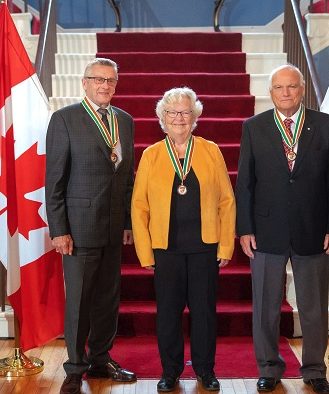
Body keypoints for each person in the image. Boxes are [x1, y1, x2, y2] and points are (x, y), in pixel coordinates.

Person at [235, 64, 329, 394]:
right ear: (270, 93)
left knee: (313, 308)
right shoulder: (254, 127)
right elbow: (245, 183)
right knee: (266, 307)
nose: (286, 93)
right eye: (279, 88)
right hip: (266, 230)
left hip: (314, 229)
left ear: (302, 90)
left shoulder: (326, 126)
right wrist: (245, 228)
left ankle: (314, 369)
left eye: (292, 87)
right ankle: (268, 367)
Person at [132, 87, 236, 392]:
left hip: (205, 246)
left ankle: (205, 370)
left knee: (204, 312)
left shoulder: (211, 150)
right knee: (168, 313)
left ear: (195, 116)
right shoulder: (151, 154)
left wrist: (226, 245)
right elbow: (139, 207)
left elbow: (227, 201)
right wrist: (145, 252)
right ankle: (171, 371)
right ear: (162, 118)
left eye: (185, 112)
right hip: (166, 248)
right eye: (173, 112)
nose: (179, 117)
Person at [45, 58, 136, 394]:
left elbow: (127, 177)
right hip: (78, 227)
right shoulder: (64, 119)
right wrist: (59, 229)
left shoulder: (124, 121)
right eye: (98, 79)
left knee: (107, 299)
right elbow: (54, 180)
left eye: (111, 80)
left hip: (113, 227)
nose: (105, 86)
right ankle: (74, 367)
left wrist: (127, 221)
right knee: (80, 300)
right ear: (84, 83)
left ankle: (100, 359)